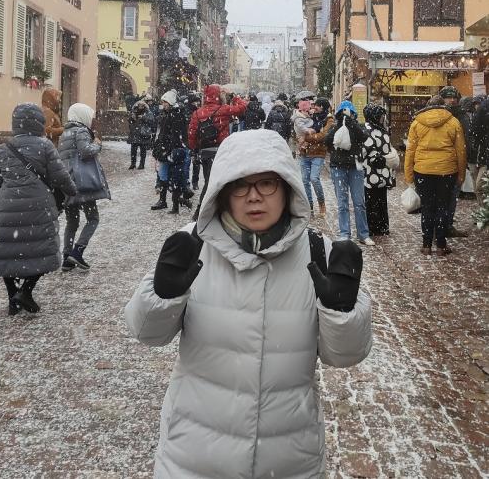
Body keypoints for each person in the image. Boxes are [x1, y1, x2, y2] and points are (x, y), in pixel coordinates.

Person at [124, 129, 372, 479]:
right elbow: (147, 334)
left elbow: (345, 355)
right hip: (194, 456)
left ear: (287, 189)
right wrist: (163, 296)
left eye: (267, 183)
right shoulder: (191, 247)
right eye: (240, 185)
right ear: (223, 193)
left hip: (289, 458)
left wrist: (342, 312)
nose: (254, 197)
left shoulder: (320, 256)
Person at [0, 103, 76, 313]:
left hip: (8, 206)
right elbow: (60, 175)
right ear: (39, 123)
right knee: (42, 249)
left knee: (7, 251)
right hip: (39, 206)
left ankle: (13, 298)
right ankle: (26, 291)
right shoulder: (45, 146)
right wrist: (71, 190)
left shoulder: (3, 149)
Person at [404, 95, 466, 257]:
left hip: (423, 170)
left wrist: (409, 175)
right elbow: (461, 151)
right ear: (443, 106)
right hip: (447, 171)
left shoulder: (417, 122)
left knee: (427, 207)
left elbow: (410, 151)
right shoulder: (453, 122)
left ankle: (426, 244)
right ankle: (440, 244)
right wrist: (461, 174)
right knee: (442, 207)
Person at [58, 103, 111, 271]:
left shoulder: (64, 133)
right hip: (81, 183)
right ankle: (78, 252)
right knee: (93, 218)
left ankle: (67, 257)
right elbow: (85, 151)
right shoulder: (80, 131)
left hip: (67, 182)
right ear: (82, 116)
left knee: (72, 222)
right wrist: (98, 144)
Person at [188, 85, 247, 214]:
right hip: (222, 150)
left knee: (208, 180)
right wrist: (234, 96)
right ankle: (222, 209)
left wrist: (194, 149)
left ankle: (202, 209)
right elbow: (242, 107)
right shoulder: (223, 109)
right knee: (223, 180)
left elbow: (192, 135)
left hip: (205, 152)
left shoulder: (198, 113)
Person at [325, 100, 375, 246]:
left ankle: (363, 234)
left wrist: (351, 123)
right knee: (342, 203)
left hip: (355, 167)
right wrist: (340, 123)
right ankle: (344, 233)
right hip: (338, 168)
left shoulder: (357, 127)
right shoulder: (335, 126)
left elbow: (364, 137)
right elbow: (327, 141)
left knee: (359, 203)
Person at [151, 91, 191, 214]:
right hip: (166, 150)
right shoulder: (167, 114)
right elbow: (163, 134)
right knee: (163, 176)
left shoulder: (176, 115)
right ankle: (166, 200)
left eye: (165, 102)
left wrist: (167, 150)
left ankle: (175, 203)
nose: (163, 104)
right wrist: (158, 146)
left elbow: (176, 136)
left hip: (173, 151)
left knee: (174, 178)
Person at [439, 86, 470, 237]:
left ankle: (446, 225)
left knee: (451, 196)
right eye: (448, 97)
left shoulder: (461, 116)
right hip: (440, 162)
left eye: (454, 97)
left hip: (454, 162)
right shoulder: (437, 114)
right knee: (443, 196)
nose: (451, 100)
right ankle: (441, 226)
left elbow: (466, 140)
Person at [362, 104, 396, 237]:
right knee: (373, 200)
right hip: (372, 171)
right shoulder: (369, 130)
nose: (383, 118)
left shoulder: (376, 129)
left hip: (379, 171)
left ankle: (380, 226)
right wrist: (378, 158)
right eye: (381, 116)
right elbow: (366, 150)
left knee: (379, 199)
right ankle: (376, 226)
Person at [298, 99, 334, 216]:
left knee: (314, 178)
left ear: (323, 107)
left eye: (317, 106)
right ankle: (310, 207)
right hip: (305, 152)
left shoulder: (329, 120)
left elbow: (323, 136)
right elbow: (300, 131)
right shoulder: (310, 117)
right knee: (305, 180)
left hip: (318, 153)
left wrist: (307, 137)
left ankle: (321, 203)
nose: (315, 107)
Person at [127, 99, 155, 170]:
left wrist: (143, 118)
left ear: (144, 106)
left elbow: (151, 121)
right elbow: (129, 121)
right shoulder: (134, 111)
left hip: (143, 134)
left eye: (142, 105)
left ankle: (142, 164)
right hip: (135, 133)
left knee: (143, 150)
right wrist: (132, 118)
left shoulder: (148, 112)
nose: (140, 106)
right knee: (133, 150)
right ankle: (133, 164)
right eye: (139, 105)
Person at [472, 95, 489, 206]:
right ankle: (483, 214)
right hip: (482, 158)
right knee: (479, 187)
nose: (476, 106)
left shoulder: (481, 113)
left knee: (479, 187)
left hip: (484, 158)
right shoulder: (480, 114)